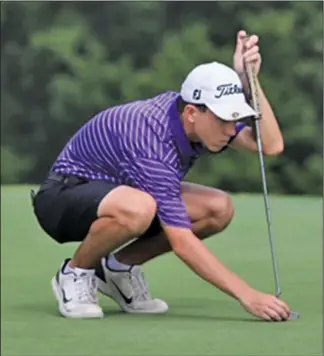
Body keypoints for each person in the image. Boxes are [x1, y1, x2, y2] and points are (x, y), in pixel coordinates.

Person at [31, 30, 292, 321]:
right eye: (223, 120)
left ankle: (117, 270)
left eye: (234, 120)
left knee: (218, 209)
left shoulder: (197, 122)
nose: (231, 130)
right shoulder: (150, 139)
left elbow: (269, 145)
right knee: (139, 208)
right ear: (193, 113)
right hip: (62, 198)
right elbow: (182, 242)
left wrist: (251, 82)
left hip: (121, 193)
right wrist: (249, 296)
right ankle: (76, 272)